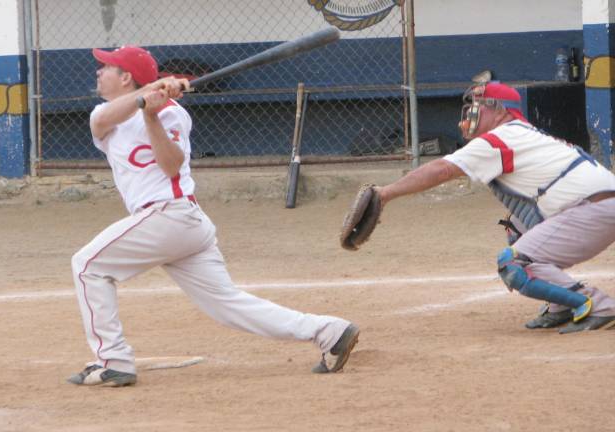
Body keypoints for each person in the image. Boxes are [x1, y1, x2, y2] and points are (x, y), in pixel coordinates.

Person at [67, 45, 360, 387]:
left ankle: (112, 361)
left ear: (126, 76)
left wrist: (152, 116)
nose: (99, 72)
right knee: (227, 306)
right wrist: (148, 94)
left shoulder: (172, 113)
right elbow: (105, 119)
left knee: (88, 265)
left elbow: (171, 166)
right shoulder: (104, 116)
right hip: (172, 225)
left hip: (171, 216)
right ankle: (330, 331)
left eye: (106, 67)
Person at [375, 81, 615, 334]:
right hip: (595, 208)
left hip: (593, 210)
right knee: (517, 228)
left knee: (514, 264)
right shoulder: (522, 132)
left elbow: (441, 170)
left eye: (478, 107)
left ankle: (598, 306)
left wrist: (385, 194)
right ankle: (561, 305)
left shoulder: (501, 137)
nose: (470, 114)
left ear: (500, 110)